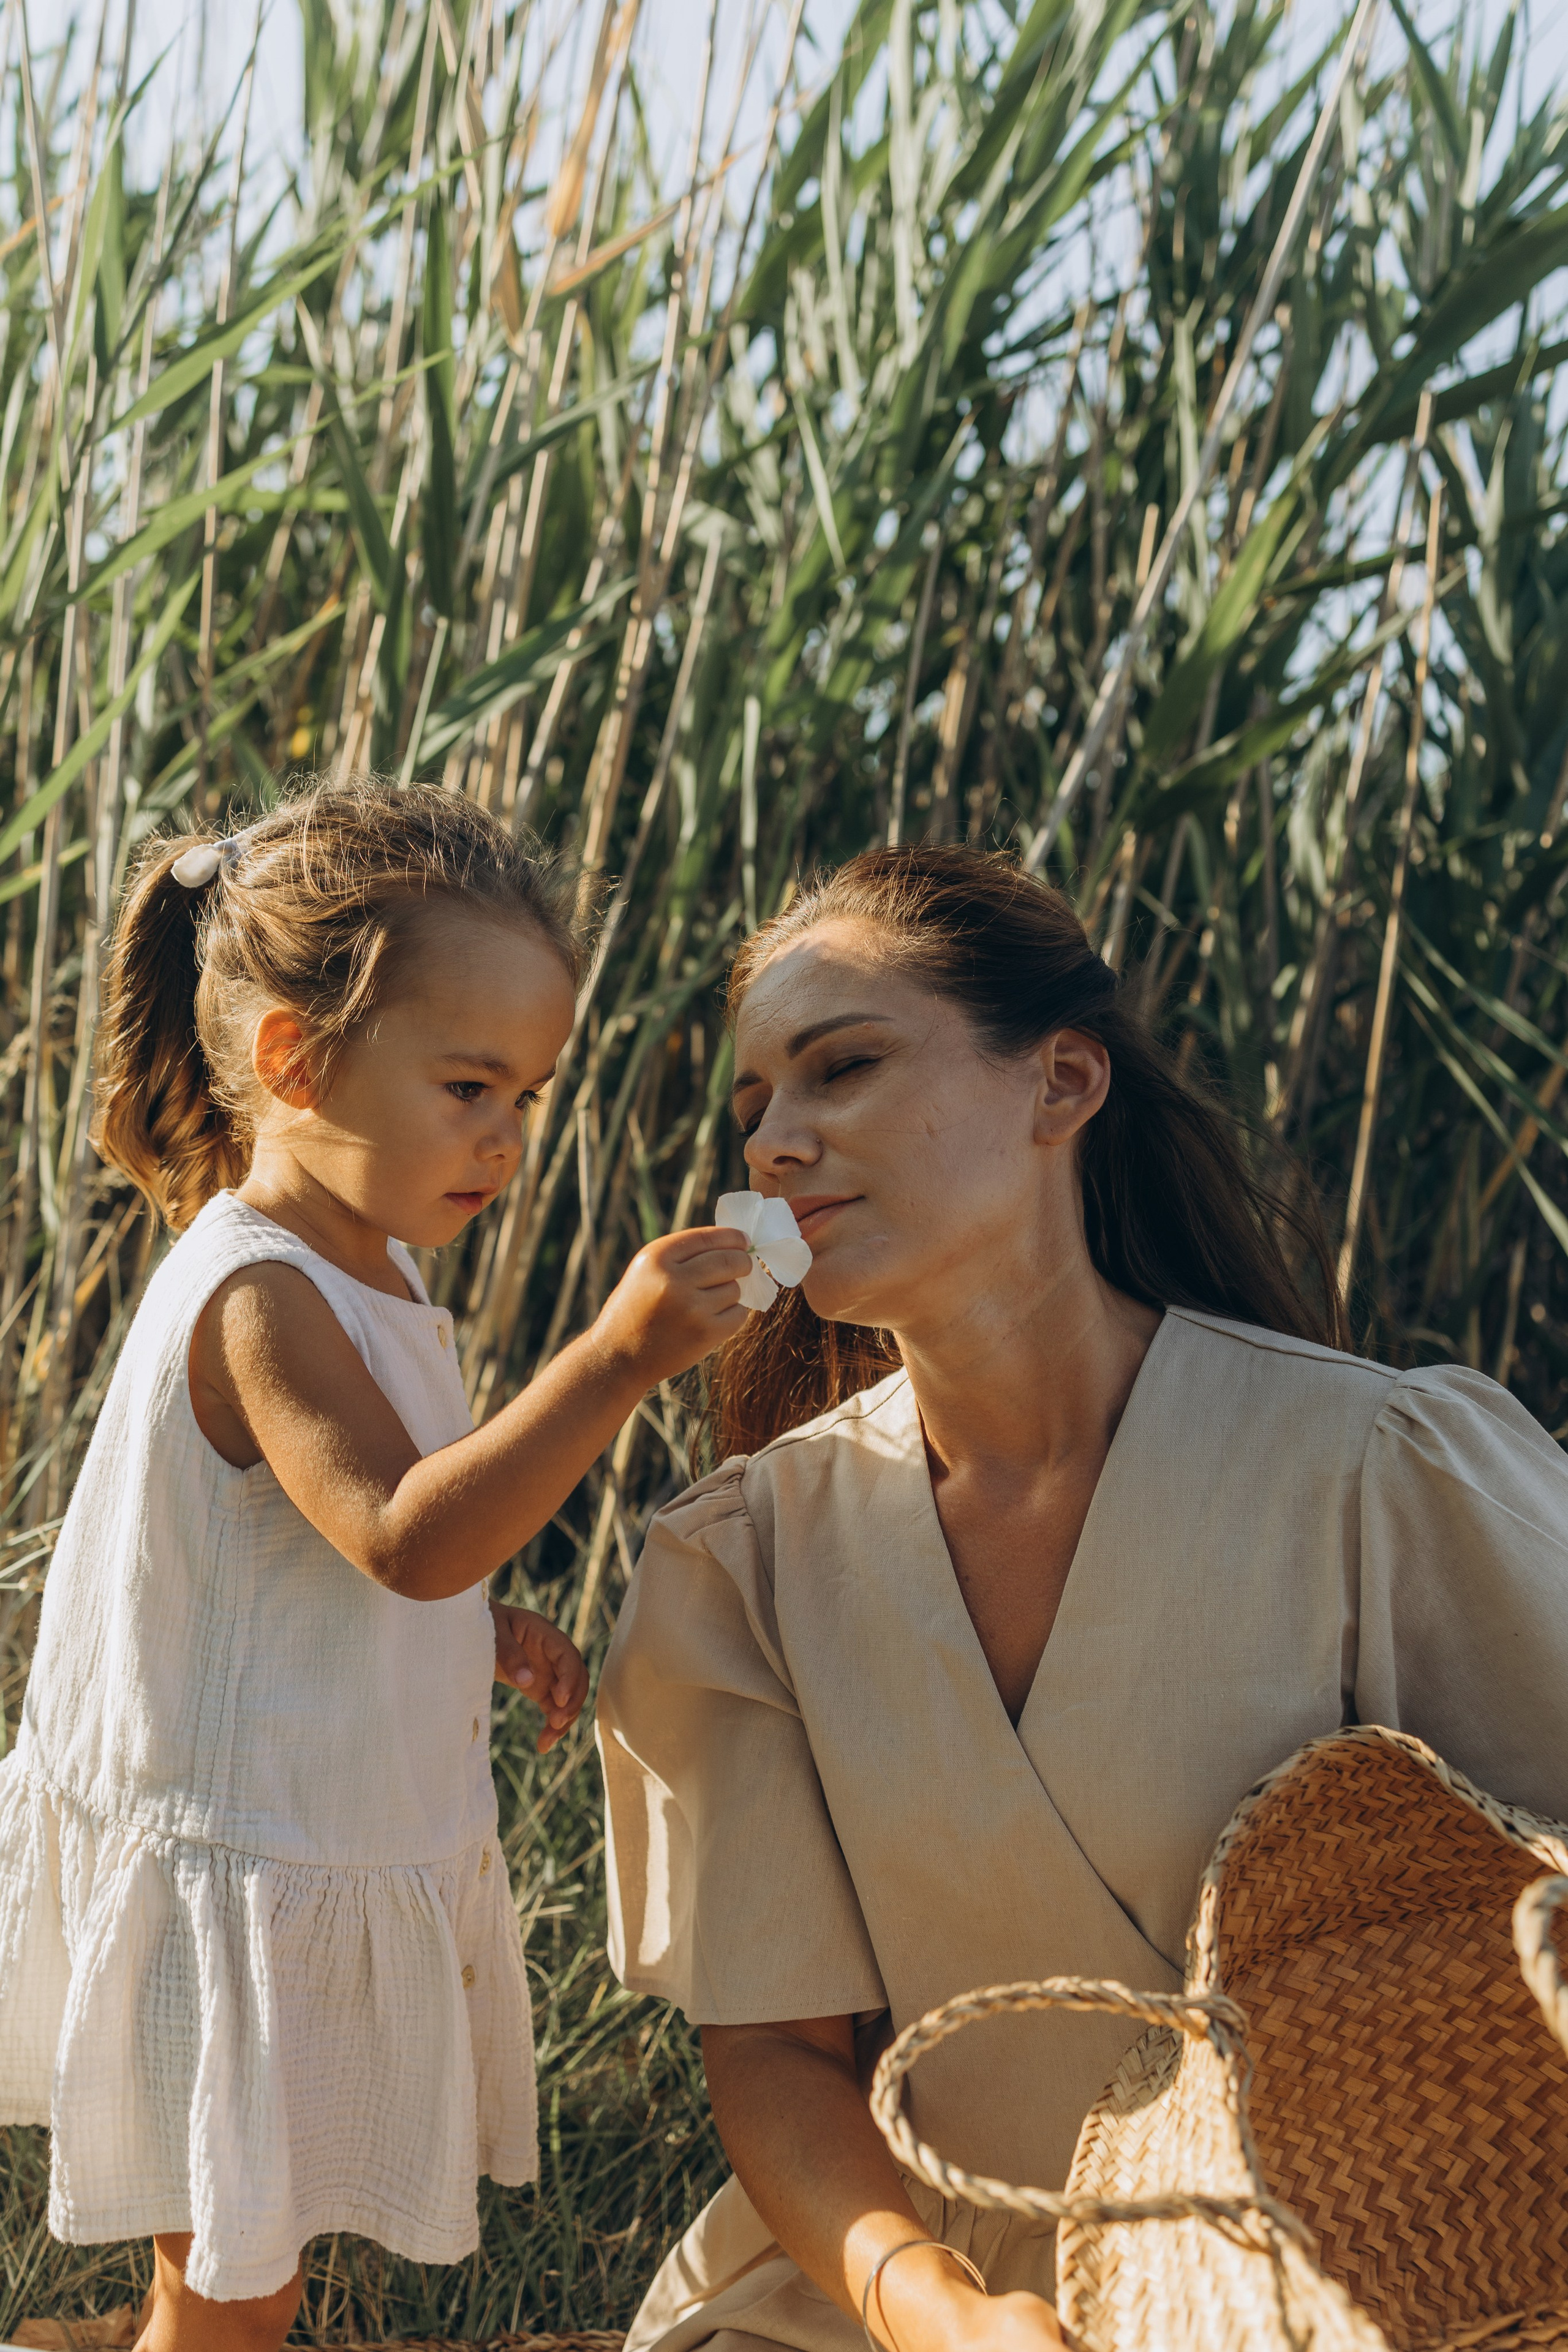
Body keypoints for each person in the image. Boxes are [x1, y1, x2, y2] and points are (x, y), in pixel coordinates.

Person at [596, 842, 1568, 2352]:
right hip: (880, 2295)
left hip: (1335, 2279)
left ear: (1060, 1084)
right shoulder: (745, 1558)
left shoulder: (1372, 1465)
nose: (775, 1143)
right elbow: (778, 2053)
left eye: (842, 1068)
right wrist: (939, 2317)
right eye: (753, 1110)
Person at [0, 782, 753, 2352]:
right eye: (469, 1085)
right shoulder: (258, 1295)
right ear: (294, 1059)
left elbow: (345, 1554)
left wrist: (481, 1626)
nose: (507, 1136)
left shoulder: (372, 1266)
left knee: (228, 2260)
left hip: (296, 1819)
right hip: (234, 1854)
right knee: (238, 2280)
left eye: (528, 1094)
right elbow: (405, 1536)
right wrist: (614, 1359)